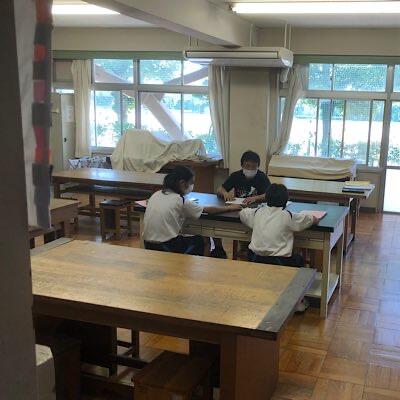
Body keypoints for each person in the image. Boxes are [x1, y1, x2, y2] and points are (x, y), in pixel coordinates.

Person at [239, 183, 320, 312]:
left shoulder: (257, 212)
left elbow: (243, 213)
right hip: (280, 261)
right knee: (299, 260)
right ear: (286, 200)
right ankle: (297, 302)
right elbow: (312, 220)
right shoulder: (288, 216)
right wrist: (314, 218)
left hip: (255, 258)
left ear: (267, 198)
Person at [143, 165, 241, 256]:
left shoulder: (156, 194)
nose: (192, 186)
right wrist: (230, 208)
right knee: (199, 240)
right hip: (167, 246)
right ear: (182, 183)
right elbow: (209, 210)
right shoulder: (180, 200)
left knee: (185, 237)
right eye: (191, 183)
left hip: (148, 244)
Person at [212, 150, 271, 258]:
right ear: (242, 165)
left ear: (258, 166)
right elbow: (220, 189)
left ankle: (247, 249)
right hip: (238, 209)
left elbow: (269, 194)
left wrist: (256, 197)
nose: (250, 169)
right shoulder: (236, 176)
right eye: (247, 166)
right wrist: (225, 193)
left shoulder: (262, 177)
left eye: (254, 167)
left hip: (256, 211)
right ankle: (223, 249)